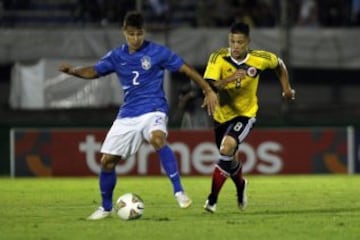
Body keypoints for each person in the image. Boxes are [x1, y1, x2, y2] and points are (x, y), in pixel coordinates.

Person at [58, 11, 218, 220]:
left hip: (154, 109)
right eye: (131, 34)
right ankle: (106, 208)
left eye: (139, 34)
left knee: (157, 138)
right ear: (124, 32)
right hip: (128, 114)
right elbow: (95, 71)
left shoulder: (158, 52)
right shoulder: (116, 56)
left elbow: (186, 69)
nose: (135, 38)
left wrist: (208, 90)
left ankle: (178, 191)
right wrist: (74, 71)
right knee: (107, 162)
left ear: (145, 32)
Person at [202, 22, 295, 213]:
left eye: (240, 42)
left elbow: (279, 64)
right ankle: (241, 185)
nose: (235, 46)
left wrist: (286, 88)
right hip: (221, 116)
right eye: (232, 41)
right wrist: (230, 78)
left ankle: (212, 200)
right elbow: (210, 86)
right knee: (231, 158)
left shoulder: (259, 59)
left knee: (226, 147)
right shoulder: (218, 57)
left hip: (246, 114)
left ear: (248, 43)